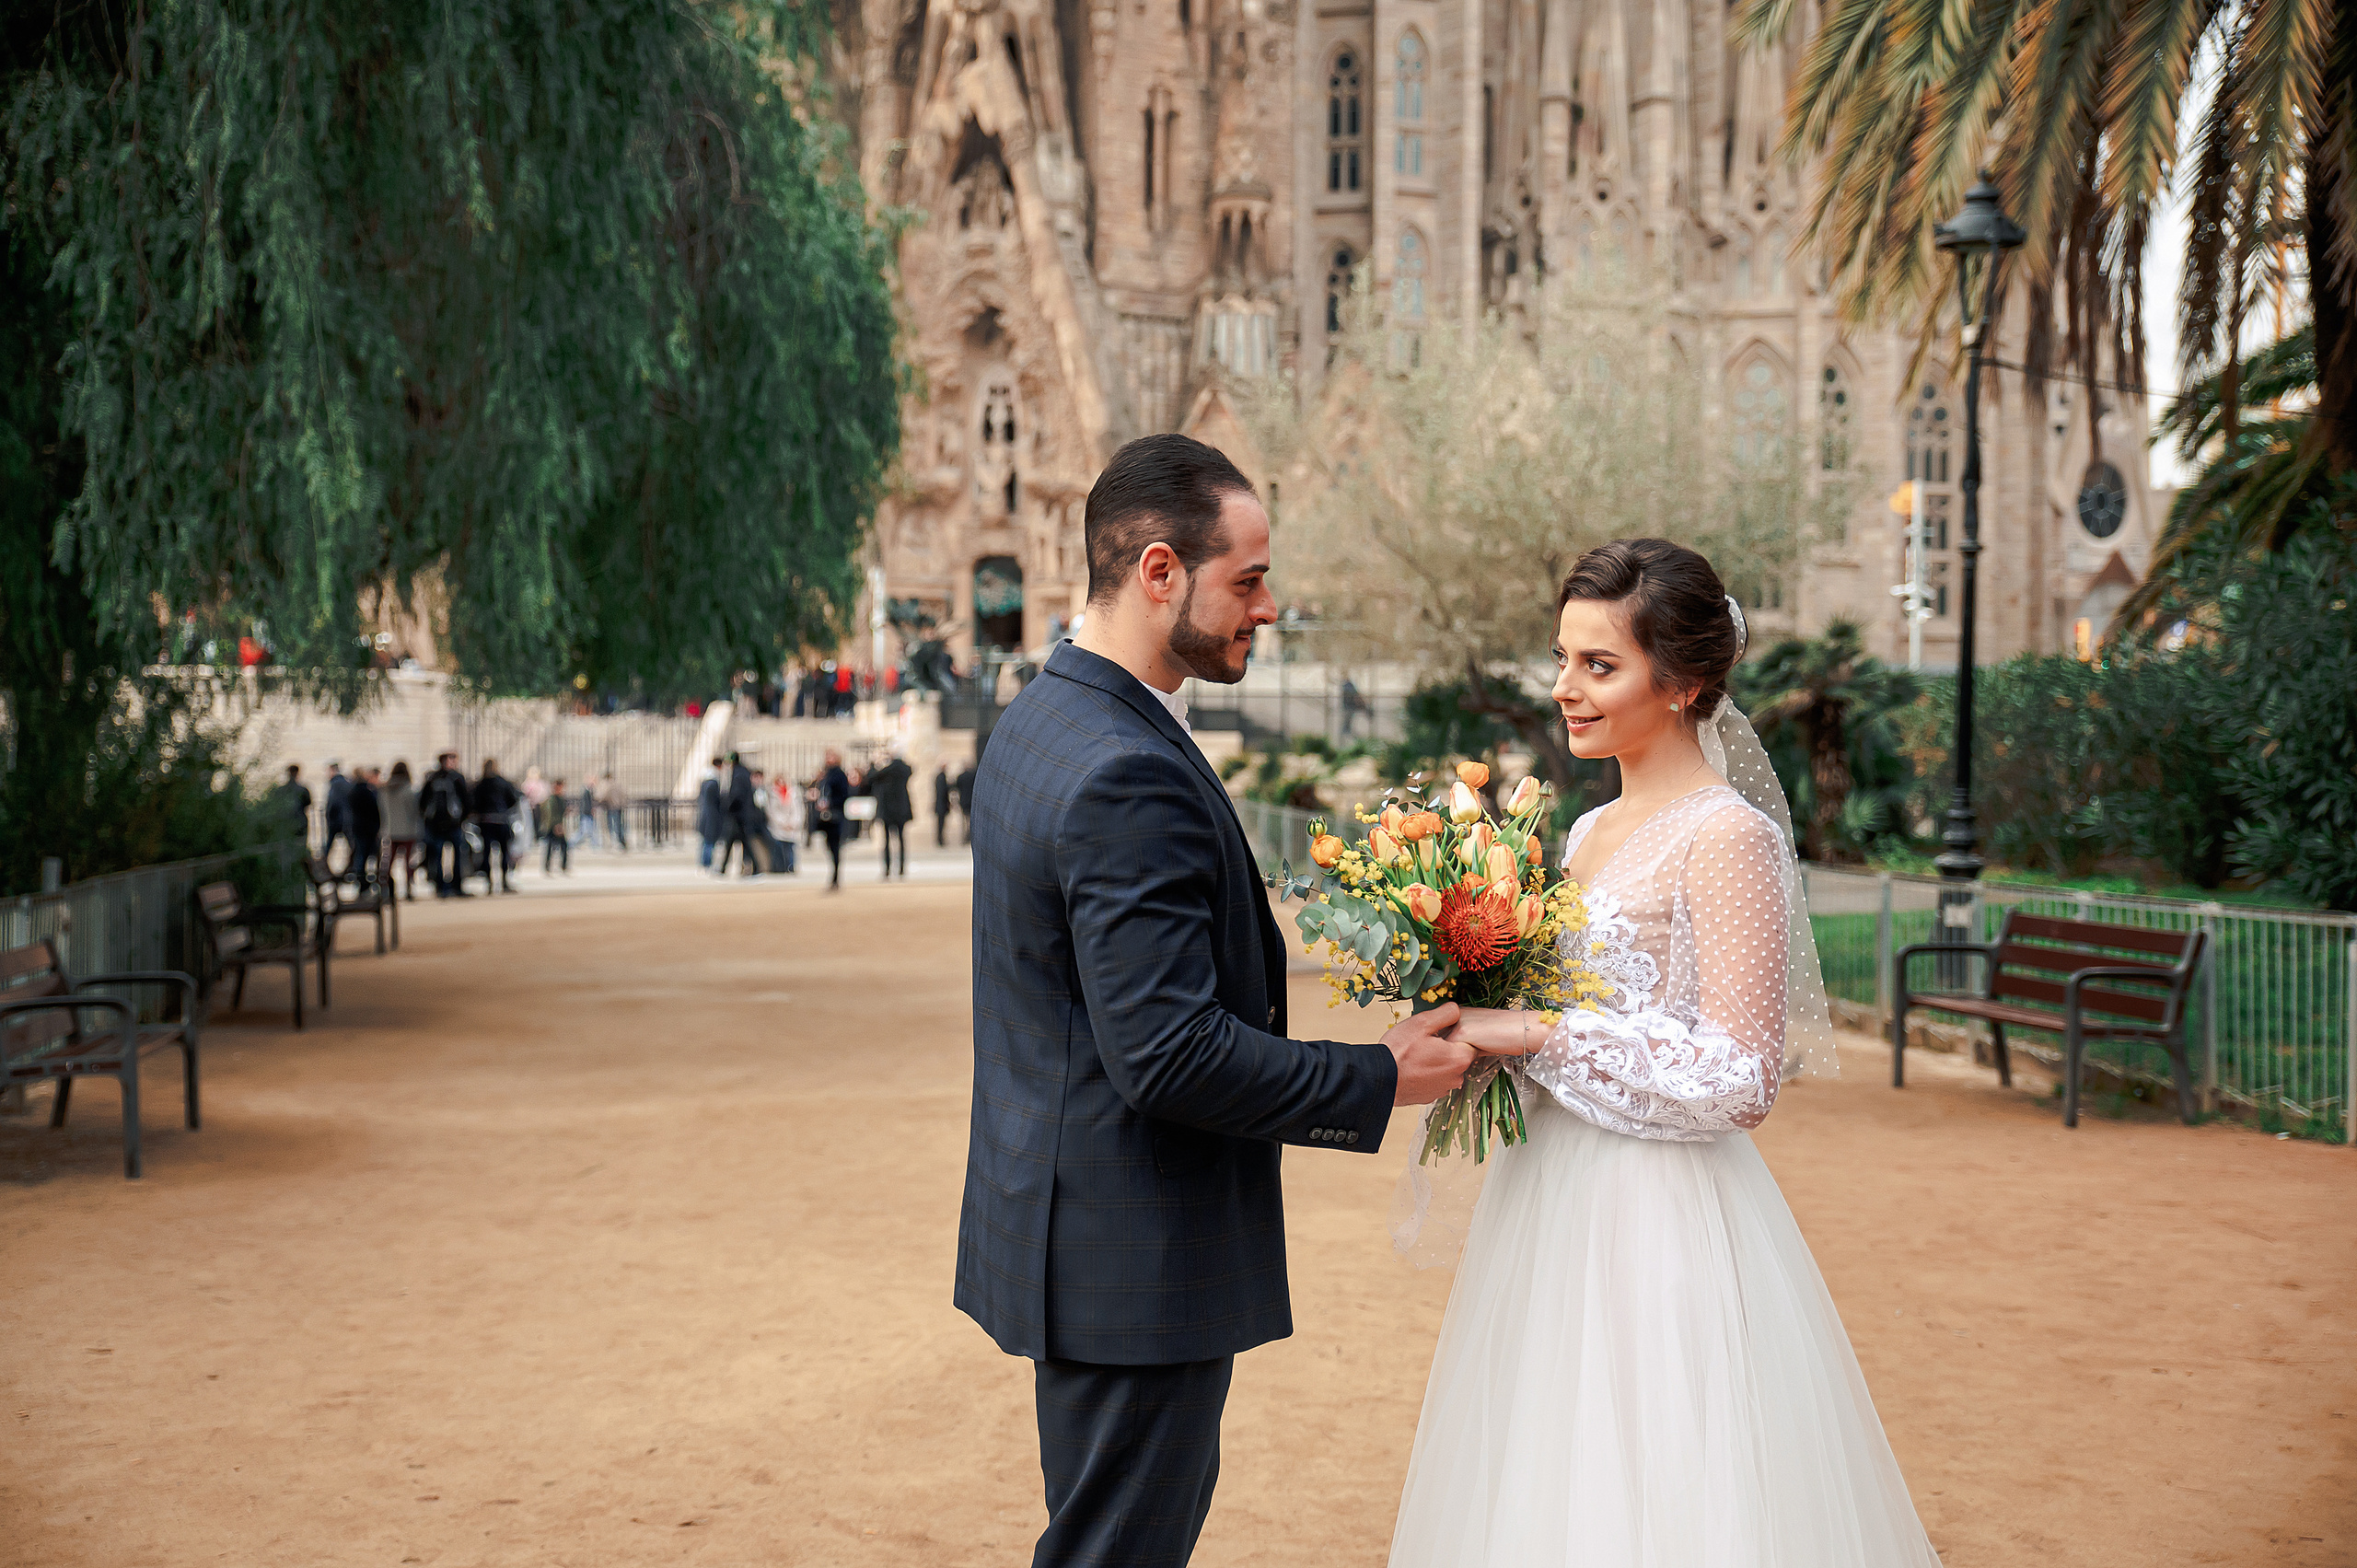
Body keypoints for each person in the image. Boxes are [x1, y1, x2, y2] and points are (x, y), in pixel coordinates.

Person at [956, 434, 1475, 1567]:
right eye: (1246, 578)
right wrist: (1380, 1076)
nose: (1270, 605)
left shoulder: (1046, 716)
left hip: (1070, 1220)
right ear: (1157, 571)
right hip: (1128, 1248)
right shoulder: (1120, 767)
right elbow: (1168, 1054)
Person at [1386, 538, 1939, 1568]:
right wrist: (1474, 1019)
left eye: (1599, 666)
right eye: (1563, 659)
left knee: (1661, 1480)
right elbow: (1570, 1014)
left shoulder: (1724, 836)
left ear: (1682, 683)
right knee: (1547, 1467)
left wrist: (1535, 1029)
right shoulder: (1587, 830)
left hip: (1659, 1218)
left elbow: (1739, 1074)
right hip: (1549, 1195)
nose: (1565, 689)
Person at [419, 751, 472, 898]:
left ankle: (449, 886)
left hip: (445, 823)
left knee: (448, 855)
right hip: (444, 824)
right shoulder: (451, 778)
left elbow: (423, 801)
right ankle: (448, 886)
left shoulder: (437, 778)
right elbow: (466, 800)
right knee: (443, 855)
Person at [471, 758, 521, 894]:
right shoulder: (503, 783)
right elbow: (513, 799)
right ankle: (504, 881)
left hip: (486, 820)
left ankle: (489, 882)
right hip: (501, 820)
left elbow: (474, 802)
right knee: (504, 852)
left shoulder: (481, 784)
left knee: (487, 852)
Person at [868, 747, 913, 878]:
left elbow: (871, 777)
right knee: (901, 839)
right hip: (901, 808)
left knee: (887, 840)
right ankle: (901, 868)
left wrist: (876, 763)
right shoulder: (904, 769)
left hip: (888, 808)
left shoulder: (887, 770)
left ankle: (887, 868)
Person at [380, 761, 422, 900]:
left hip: (392, 830)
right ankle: (409, 889)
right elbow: (413, 810)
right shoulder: (408, 790)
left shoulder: (385, 790)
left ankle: (386, 889)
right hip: (408, 830)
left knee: (389, 861)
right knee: (408, 862)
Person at [718, 752, 762, 877]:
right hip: (742, 814)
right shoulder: (744, 772)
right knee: (737, 841)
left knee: (737, 841)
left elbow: (737, 795)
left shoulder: (738, 774)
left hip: (738, 816)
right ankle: (724, 867)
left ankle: (754, 867)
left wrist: (728, 805)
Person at [815, 749, 851, 891]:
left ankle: (835, 877)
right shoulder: (826, 774)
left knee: (835, 847)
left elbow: (843, 795)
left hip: (835, 816)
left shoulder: (839, 774)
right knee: (829, 846)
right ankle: (833, 876)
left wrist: (829, 803)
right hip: (826, 817)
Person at [345, 766, 382, 887]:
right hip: (368, 829)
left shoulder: (352, 792)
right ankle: (364, 881)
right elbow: (375, 811)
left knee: (360, 855)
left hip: (357, 827)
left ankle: (360, 879)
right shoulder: (368, 792)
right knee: (366, 855)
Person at [761, 768, 801, 873]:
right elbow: (771, 810)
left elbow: (797, 809)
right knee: (778, 847)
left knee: (790, 848)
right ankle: (779, 867)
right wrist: (782, 823)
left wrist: (793, 822)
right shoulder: (772, 793)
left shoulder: (793, 792)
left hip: (791, 824)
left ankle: (791, 867)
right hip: (778, 825)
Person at [321, 761, 354, 876]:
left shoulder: (335, 784)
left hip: (336, 820)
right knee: (352, 846)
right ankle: (351, 868)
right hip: (348, 820)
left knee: (328, 846)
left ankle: (323, 868)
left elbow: (332, 804)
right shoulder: (348, 783)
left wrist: (328, 818)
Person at [269, 764, 312, 847]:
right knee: (300, 844)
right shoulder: (302, 790)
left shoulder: (280, 791)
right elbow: (308, 803)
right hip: (300, 821)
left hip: (285, 822)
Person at [694, 759, 726, 873]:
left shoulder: (705, 780)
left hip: (706, 814)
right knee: (709, 841)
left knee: (705, 841)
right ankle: (706, 863)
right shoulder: (713, 782)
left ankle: (704, 863)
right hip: (711, 815)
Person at [538, 778, 573, 874]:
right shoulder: (552, 799)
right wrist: (556, 826)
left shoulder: (560, 799)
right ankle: (548, 866)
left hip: (557, 825)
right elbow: (550, 814)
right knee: (551, 847)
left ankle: (562, 866)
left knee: (562, 847)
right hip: (553, 826)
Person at [598, 773, 630, 853]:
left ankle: (615, 841)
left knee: (612, 826)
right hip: (619, 807)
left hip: (611, 807)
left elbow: (603, 796)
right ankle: (621, 840)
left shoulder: (608, 786)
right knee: (619, 825)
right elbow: (624, 795)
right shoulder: (618, 785)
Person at [951, 760, 976, 845]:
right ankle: (970, 836)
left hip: (964, 801)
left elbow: (955, 788)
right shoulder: (973, 776)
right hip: (972, 801)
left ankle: (965, 837)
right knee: (971, 820)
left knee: (964, 821)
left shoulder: (961, 777)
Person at [932, 763, 952, 848]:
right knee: (940, 823)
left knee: (941, 823)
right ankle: (940, 839)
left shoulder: (940, 777)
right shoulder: (941, 777)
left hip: (941, 804)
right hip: (942, 805)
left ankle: (940, 839)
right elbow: (942, 791)